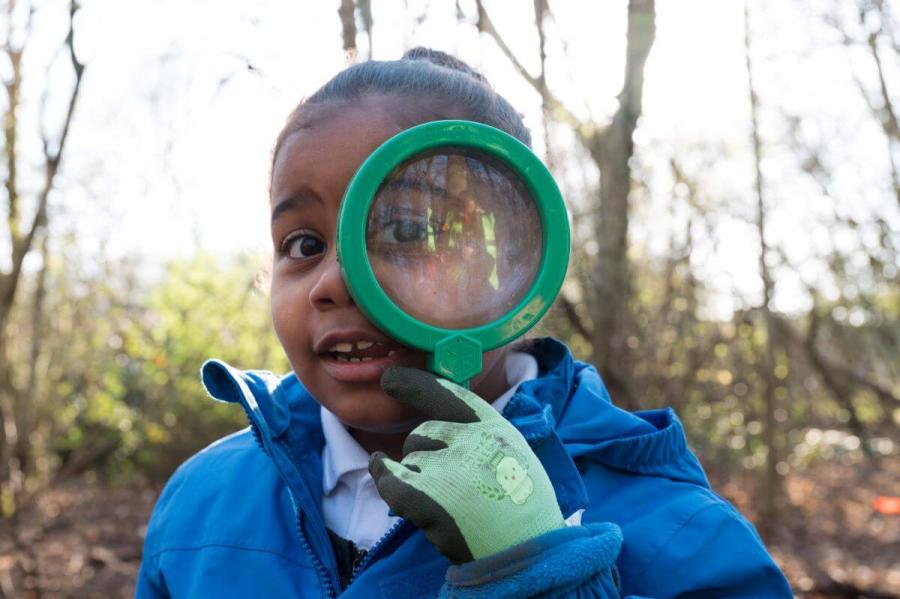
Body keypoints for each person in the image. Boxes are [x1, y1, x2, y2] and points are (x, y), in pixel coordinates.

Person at [135, 48, 792, 598]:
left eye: (405, 229)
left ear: (517, 261)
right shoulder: (201, 501)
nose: (334, 279)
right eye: (302, 244)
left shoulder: (669, 528)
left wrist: (547, 570)